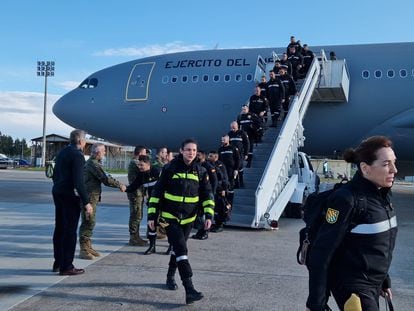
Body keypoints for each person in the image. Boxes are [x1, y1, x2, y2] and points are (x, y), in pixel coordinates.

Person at [306, 136, 398, 311]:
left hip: (373, 283)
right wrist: (316, 303)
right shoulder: (345, 200)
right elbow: (321, 252)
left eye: (393, 162)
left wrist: (384, 279)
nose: (394, 169)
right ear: (365, 168)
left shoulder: (382, 197)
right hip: (353, 286)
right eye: (386, 164)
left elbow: (375, 246)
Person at [148, 138, 215, 304]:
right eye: (188, 149)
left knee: (178, 250)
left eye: (193, 150)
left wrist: (208, 215)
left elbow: (207, 195)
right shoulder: (169, 168)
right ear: (181, 150)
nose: (191, 152)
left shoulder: (200, 171)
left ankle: (170, 276)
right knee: (181, 249)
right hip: (170, 219)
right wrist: (152, 216)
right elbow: (156, 193)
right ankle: (189, 288)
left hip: (189, 220)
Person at [52, 129, 93, 275]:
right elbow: (79, 182)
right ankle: (67, 266)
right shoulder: (78, 156)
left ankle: (58, 262)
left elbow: (54, 174)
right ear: (81, 141)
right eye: (85, 139)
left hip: (58, 191)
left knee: (60, 228)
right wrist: (87, 202)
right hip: (69, 195)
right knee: (70, 231)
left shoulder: (62, 152)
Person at [79, 143, 126, 260]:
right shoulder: (93, 164)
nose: (105, 153)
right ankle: (84, 249)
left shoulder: (94, 163)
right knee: (88, 222)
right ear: (97, 152)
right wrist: (119, 184)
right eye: (103, 151)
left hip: (92, 198)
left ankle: (88, 246)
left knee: (90, 221)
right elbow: (105, 179)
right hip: (88, 198)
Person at [125, 155, 161, 255]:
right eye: (138, 165)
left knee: (166, 224)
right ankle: (152, 246)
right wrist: (124, 188)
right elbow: (133, 186)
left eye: (142, 165)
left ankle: (172, 246)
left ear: (148, 164)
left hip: (163, 201)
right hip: (152, 203)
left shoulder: (158, 171)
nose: (139, 167)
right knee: (151, 224)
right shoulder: (141, 175)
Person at [191, 150, 218, 240]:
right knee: (198, 214)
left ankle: (205, 232)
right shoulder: (196, 166)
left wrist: (212, 194)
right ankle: (200, 231)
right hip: (198, 194)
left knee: (205, 215)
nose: (196, 156)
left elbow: (214, 181)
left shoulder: (208, 167)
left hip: (206, 194)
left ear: (203, 156)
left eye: (198, 155)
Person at [127, 146, 148, 246]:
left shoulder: (135, 162)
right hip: (136, 193)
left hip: (138, 193)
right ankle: (133, 237)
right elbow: (145, 171)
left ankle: (136, 236)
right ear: (140, 153)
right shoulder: (135, 163)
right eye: (144, 153)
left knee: (138, 215)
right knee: (136, 215)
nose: (146, 155)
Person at [218, 135, 240, 205]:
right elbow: (219, 161)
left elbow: (237, 159)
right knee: (224, 186)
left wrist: (236, 169)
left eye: (224, 140)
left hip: (231, 171)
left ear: (228, 140)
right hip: (223, 171)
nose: (222, 141)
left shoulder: (233, 148)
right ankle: (226, 203)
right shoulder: (220, 149)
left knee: (231, 187)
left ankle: (231, 203)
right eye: (222, 140)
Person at [228, 121, 250, 187]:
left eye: (234, 128)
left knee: (239, 167)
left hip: (240, 154)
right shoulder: (230, 134)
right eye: (231, 128)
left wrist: (246, 153)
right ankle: (236, 183)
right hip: (233, 154)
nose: (233, 129)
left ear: (237, 126)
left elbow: (247, 143)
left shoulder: (242, 133)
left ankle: (241, 181)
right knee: (234, 168)